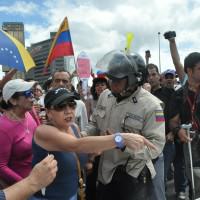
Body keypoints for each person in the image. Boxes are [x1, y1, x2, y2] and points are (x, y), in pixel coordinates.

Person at [32, 87, 155, 200]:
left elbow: (81, 152)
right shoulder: (43, 131)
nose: (68, 111)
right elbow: (77, 145)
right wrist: (120, 138)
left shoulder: (74, 127)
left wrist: (91, 157)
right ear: (48, 112)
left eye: (71, 105)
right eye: (60, 107)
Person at [83, 50, 165, 200]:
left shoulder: (151, 106)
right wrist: (82, 135)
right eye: (111, 79)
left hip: (132, 175)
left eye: (118, 80)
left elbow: (155, 147)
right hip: (105, 172)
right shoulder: (105, 96)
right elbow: (94, 124)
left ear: (134, 79)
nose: (112, 85)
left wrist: (120, 143)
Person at [169, 52, 200, 200]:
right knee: (195, 185)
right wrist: (178, 130)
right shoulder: (179, 94)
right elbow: (173, 121)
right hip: (191, 146)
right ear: (189, 70)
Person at [0, 79, 38, 187]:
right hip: (21, 187)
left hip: (38, 178)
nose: (32, 98)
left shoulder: (30, 112)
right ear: (13, 100)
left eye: (32, 92)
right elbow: (1, 166)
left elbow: (39, 133)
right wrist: (27, 184)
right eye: (27, 94)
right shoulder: (3, 127)